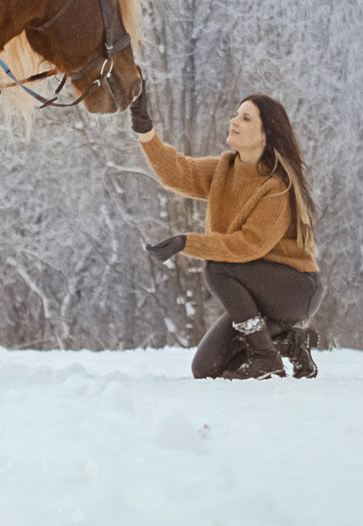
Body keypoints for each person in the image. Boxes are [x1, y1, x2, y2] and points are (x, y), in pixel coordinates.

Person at [130, 89, 322, 379]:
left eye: (245, 118)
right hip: (256, 290)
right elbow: (178, 172)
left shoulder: (276, 186)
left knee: (218, 267)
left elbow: (247, 246)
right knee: (206, 368)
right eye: (236, 114)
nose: (234, 120)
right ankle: (291, 343)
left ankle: (266, 358)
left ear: (264, 134)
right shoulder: (225, 169)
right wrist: (145, 129)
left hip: (293, 289)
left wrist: (186, 242)